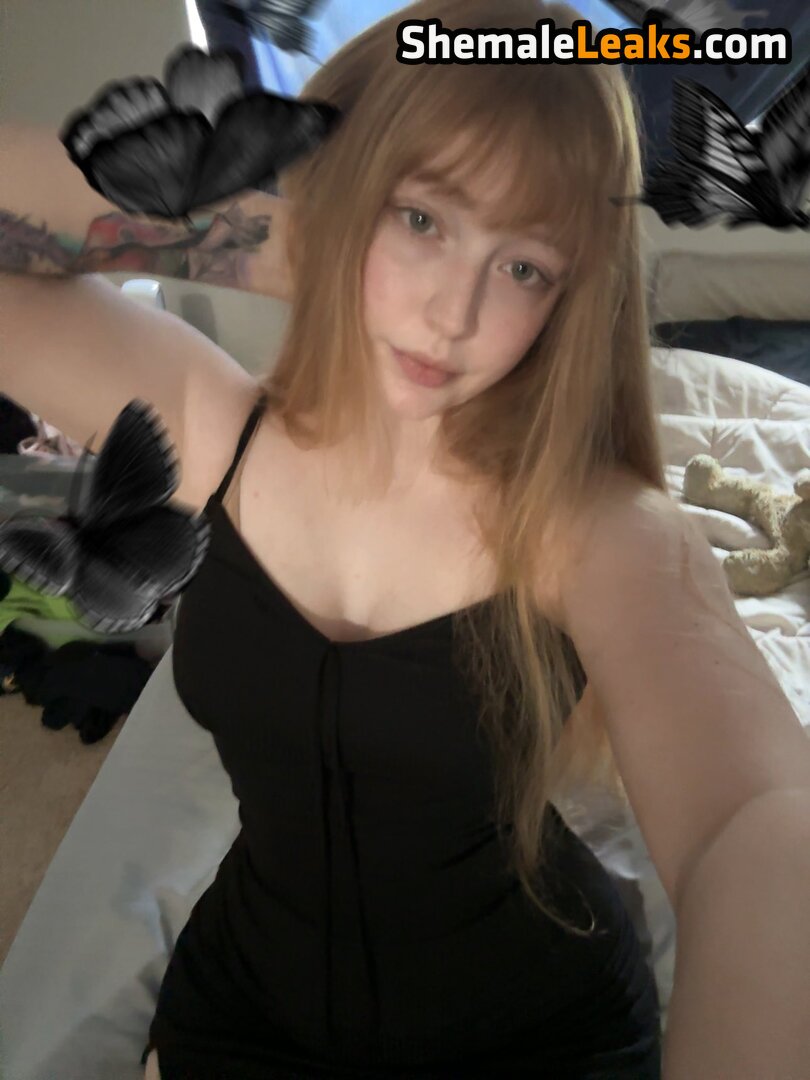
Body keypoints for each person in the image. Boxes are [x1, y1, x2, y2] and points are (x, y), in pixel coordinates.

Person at [7, 1, 778, 1076]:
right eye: (423, 218)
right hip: (246, 1011)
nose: (453, 314)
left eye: (524, 267)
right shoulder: (215, 432)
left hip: (541, 1034)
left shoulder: (597, 529)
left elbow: (753, 818)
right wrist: (301, 242)